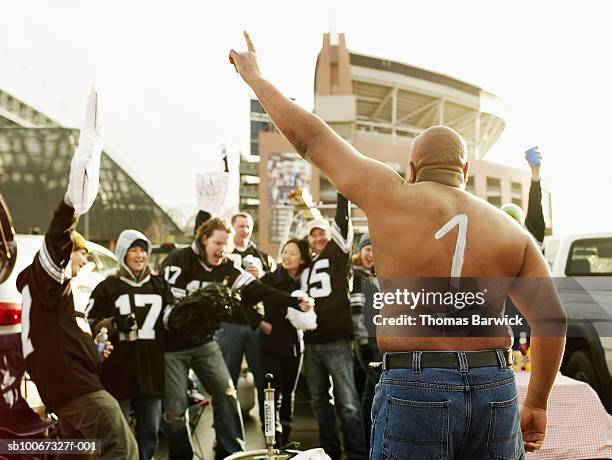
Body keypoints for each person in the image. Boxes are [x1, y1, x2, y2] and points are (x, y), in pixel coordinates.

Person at [229, 33, 566, 459]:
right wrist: (536, 402)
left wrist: (255, 78)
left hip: (416, 384)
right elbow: (552, 320)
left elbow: (310, 139)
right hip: (494, 387)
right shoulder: (510, 230)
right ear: (464, 169)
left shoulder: (389, 193)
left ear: (411, 168)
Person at [16, 89, 138, 459]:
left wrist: (96, 344)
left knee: (80, 454)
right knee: (122, 447)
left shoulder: (56, 295)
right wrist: (72, 203)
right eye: (83, 255)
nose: (84, 263)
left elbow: (62, 338)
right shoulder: (47, 280)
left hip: (65, 392)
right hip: (78, 392)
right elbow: (57, 241)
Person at [160, 216, 313, 460]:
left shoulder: (227, 266)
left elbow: (257, 289)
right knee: (177, 410)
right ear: (203, 239)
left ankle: (232, 452)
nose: (222, 250)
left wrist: (293, 301)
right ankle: (181, 456)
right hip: (173, 347)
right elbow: (169, 312)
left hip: (204, 342)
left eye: (226, 245)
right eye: (217, 243)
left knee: (227, 392)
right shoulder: (177, 261)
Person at [86, 230, 173, 460]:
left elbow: (173, 318)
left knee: (150, 431)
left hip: (151, 369)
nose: (139, 255)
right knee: (119, 432)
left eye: (143, 250)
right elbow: (91, 323)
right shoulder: (108, 287)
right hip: (119, 370)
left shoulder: (159, 285)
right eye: (133, 250)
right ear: (123, 253)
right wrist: (115, 323)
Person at [295, 191, 366, 460]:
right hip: (311, 342)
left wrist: (342, 192)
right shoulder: (305, 267)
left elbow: (342, 220)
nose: (318, 238)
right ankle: (329, 452)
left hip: (336, 339)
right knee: (320, 402)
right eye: (313, 234)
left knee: (347, 403)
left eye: (322, 233)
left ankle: (357, 453)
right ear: (309, 240)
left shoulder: (337, 255)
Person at [218, 211, 275, 426]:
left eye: (248, 226)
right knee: (226, 381)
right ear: (233, 229)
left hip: (255, 325)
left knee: (263, 379)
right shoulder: (223, 256)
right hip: (229, 324)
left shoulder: (263, 257)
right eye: (240, 226)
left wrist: (260, 279)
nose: (244, 230)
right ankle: (225, 432)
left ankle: (269, 431)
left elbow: (272, 290)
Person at [253, 238, 312, 446]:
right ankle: (272, 439)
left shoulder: (306, 281)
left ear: (302, 259)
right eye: (285, 252)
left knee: (289, 394)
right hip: (270, 344)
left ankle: (285, 437)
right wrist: (260, 322)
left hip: (295, 345)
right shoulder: (269, 279)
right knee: (271, 394)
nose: (287, 257)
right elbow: (245, 302)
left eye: (292, 253)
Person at [350, 233, 381, 450]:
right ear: (360, 251)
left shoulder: (377, 276)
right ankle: (371, 444)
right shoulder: (356, 277)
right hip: (367, 343)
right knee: (379, 389)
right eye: (367, 249)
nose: (371, 254)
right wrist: (363, 342)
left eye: (374, 249)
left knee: (371, 392)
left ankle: (369, 444)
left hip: (379, 341)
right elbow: (356, 313)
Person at [501, 148, 546, 248]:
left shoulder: (531, 233)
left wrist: (535, 173)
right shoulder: (499, 245)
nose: (510, 223)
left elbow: (535, 205)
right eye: (506, 220)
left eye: (513, 219)